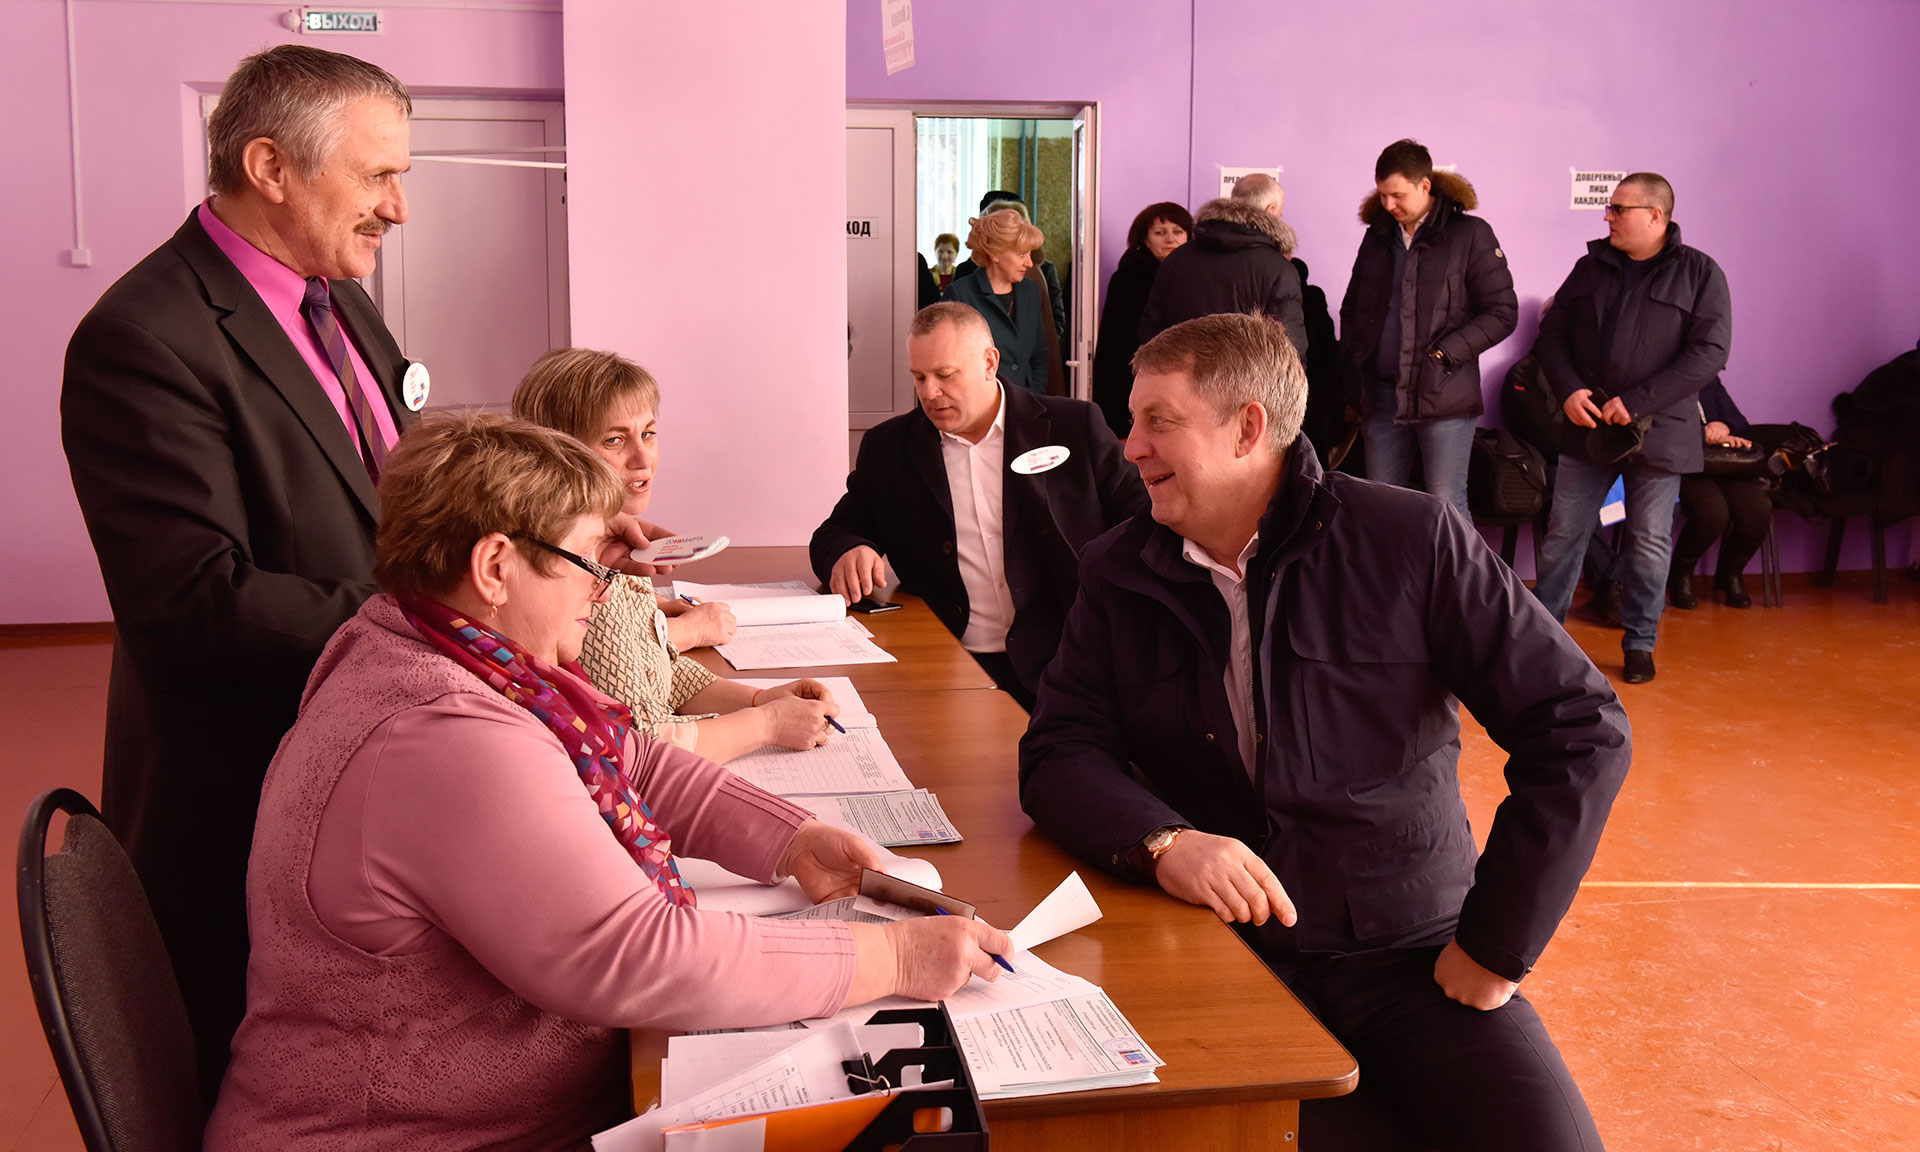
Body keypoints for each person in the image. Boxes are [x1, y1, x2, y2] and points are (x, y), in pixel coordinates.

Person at [201, 412, 1011, 1150]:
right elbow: (641, 956)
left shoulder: (433, 646)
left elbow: (630, 759)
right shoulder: (439, 735)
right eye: (584, 561)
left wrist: (791, 839)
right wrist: (892, 957)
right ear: (495, 566)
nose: (604, 585)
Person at [1020, 312, 1628, 1151]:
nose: (1131, 448)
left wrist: (1497, 946)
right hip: (1221, 952)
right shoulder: (1117, 571)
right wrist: (1164, 843)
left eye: (1159, 421)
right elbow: (1060, 751)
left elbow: (1579, 726)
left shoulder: (1410, 539)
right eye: (1133, 422)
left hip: (1414, 953)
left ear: (1248, 429)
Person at [58, 44, 419, 1099]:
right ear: (270, 168)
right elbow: (197, 606)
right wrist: (445, 616)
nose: (399, 208)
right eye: (378, 177)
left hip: (372, 767)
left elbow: (383, 484)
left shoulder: (336, 293)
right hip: (248, 808)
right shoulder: (144, 338)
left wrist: (532, 529)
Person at [514, 348, 847, 761]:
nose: (642, 458)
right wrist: (768, 725)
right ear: (559, 453)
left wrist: (760, 699)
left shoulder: (616, 548)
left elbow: (658, 672)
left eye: (648, 433)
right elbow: (640, 741)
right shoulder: (583, 579)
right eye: (614, 440)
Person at [811, 303, 1146, 709]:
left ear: (989, 363)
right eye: (919, 377)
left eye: (945, 375)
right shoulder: (890, 449)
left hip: (1069, 661)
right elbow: (835, 532)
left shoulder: (1073, 426)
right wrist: (848, 550)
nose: (929, 393)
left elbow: (1142, 522)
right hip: (949, 665)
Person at [1532, 173, 1732, 684]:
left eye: (1619, 209)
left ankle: (1640, 641)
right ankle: (1540, 639)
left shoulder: (1700, 273)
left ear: (1655, 216)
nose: (1608, 216)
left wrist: (1637, 401)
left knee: (1648, 543)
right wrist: (1569, 389)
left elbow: (1709, 354)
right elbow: (1551, 335)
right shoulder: (1590, 267)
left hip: (1660, 432)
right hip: (1589, 426)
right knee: (1563, 535)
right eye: (1609, 207)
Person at [1338, 140, 1517, 520]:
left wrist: (1444, 354)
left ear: (1425, 186)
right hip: (1381, 396)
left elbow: (1502, 312)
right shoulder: (1377, 236)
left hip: (1443, 396)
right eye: (1382, 195)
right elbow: (1353, 305)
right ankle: (1393, 565)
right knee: (1383, 504)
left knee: (1446, 504)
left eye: (1398, 195)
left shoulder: (1470, 234)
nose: (1388, 205)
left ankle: (1458, 566)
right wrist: (1356, 360)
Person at [1138, 172, 1308, 357]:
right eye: (1280, 214)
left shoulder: (1176, 259)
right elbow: (1289, 349)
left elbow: (1151, 332)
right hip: (1246, 375)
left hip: (1181, 372)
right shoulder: (1279, 269)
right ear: (1271, 209)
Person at [1091, 201, 1192, 436]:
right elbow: (1113, 348)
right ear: (1145, 240)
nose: (1170, 239)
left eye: (1178, 231)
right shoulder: (1130, 278)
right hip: (1133, 383)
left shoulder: (1191, 277)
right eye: (1160, 233)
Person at [1669, 379, 1770, 609]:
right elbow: (1660, 430)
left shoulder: (1709, 380)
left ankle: (1730, 574)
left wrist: (1724, 426)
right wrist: (1702, 434)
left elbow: (1740, 422)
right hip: (1687, 466)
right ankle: (1680, 574)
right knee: (1713, 514)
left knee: (1758, 510)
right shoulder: (1662, 381)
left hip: (1725, 465)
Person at [945, 209, 1053, 394]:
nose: (1029, 263)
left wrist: (1033, 396)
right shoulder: (961, 294)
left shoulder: (1031, 291)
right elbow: (948, 361)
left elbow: (1039, 355)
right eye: (1021, 254)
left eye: (1029, 254)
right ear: (995, 254)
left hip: (1025, 401)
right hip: (978, 402)